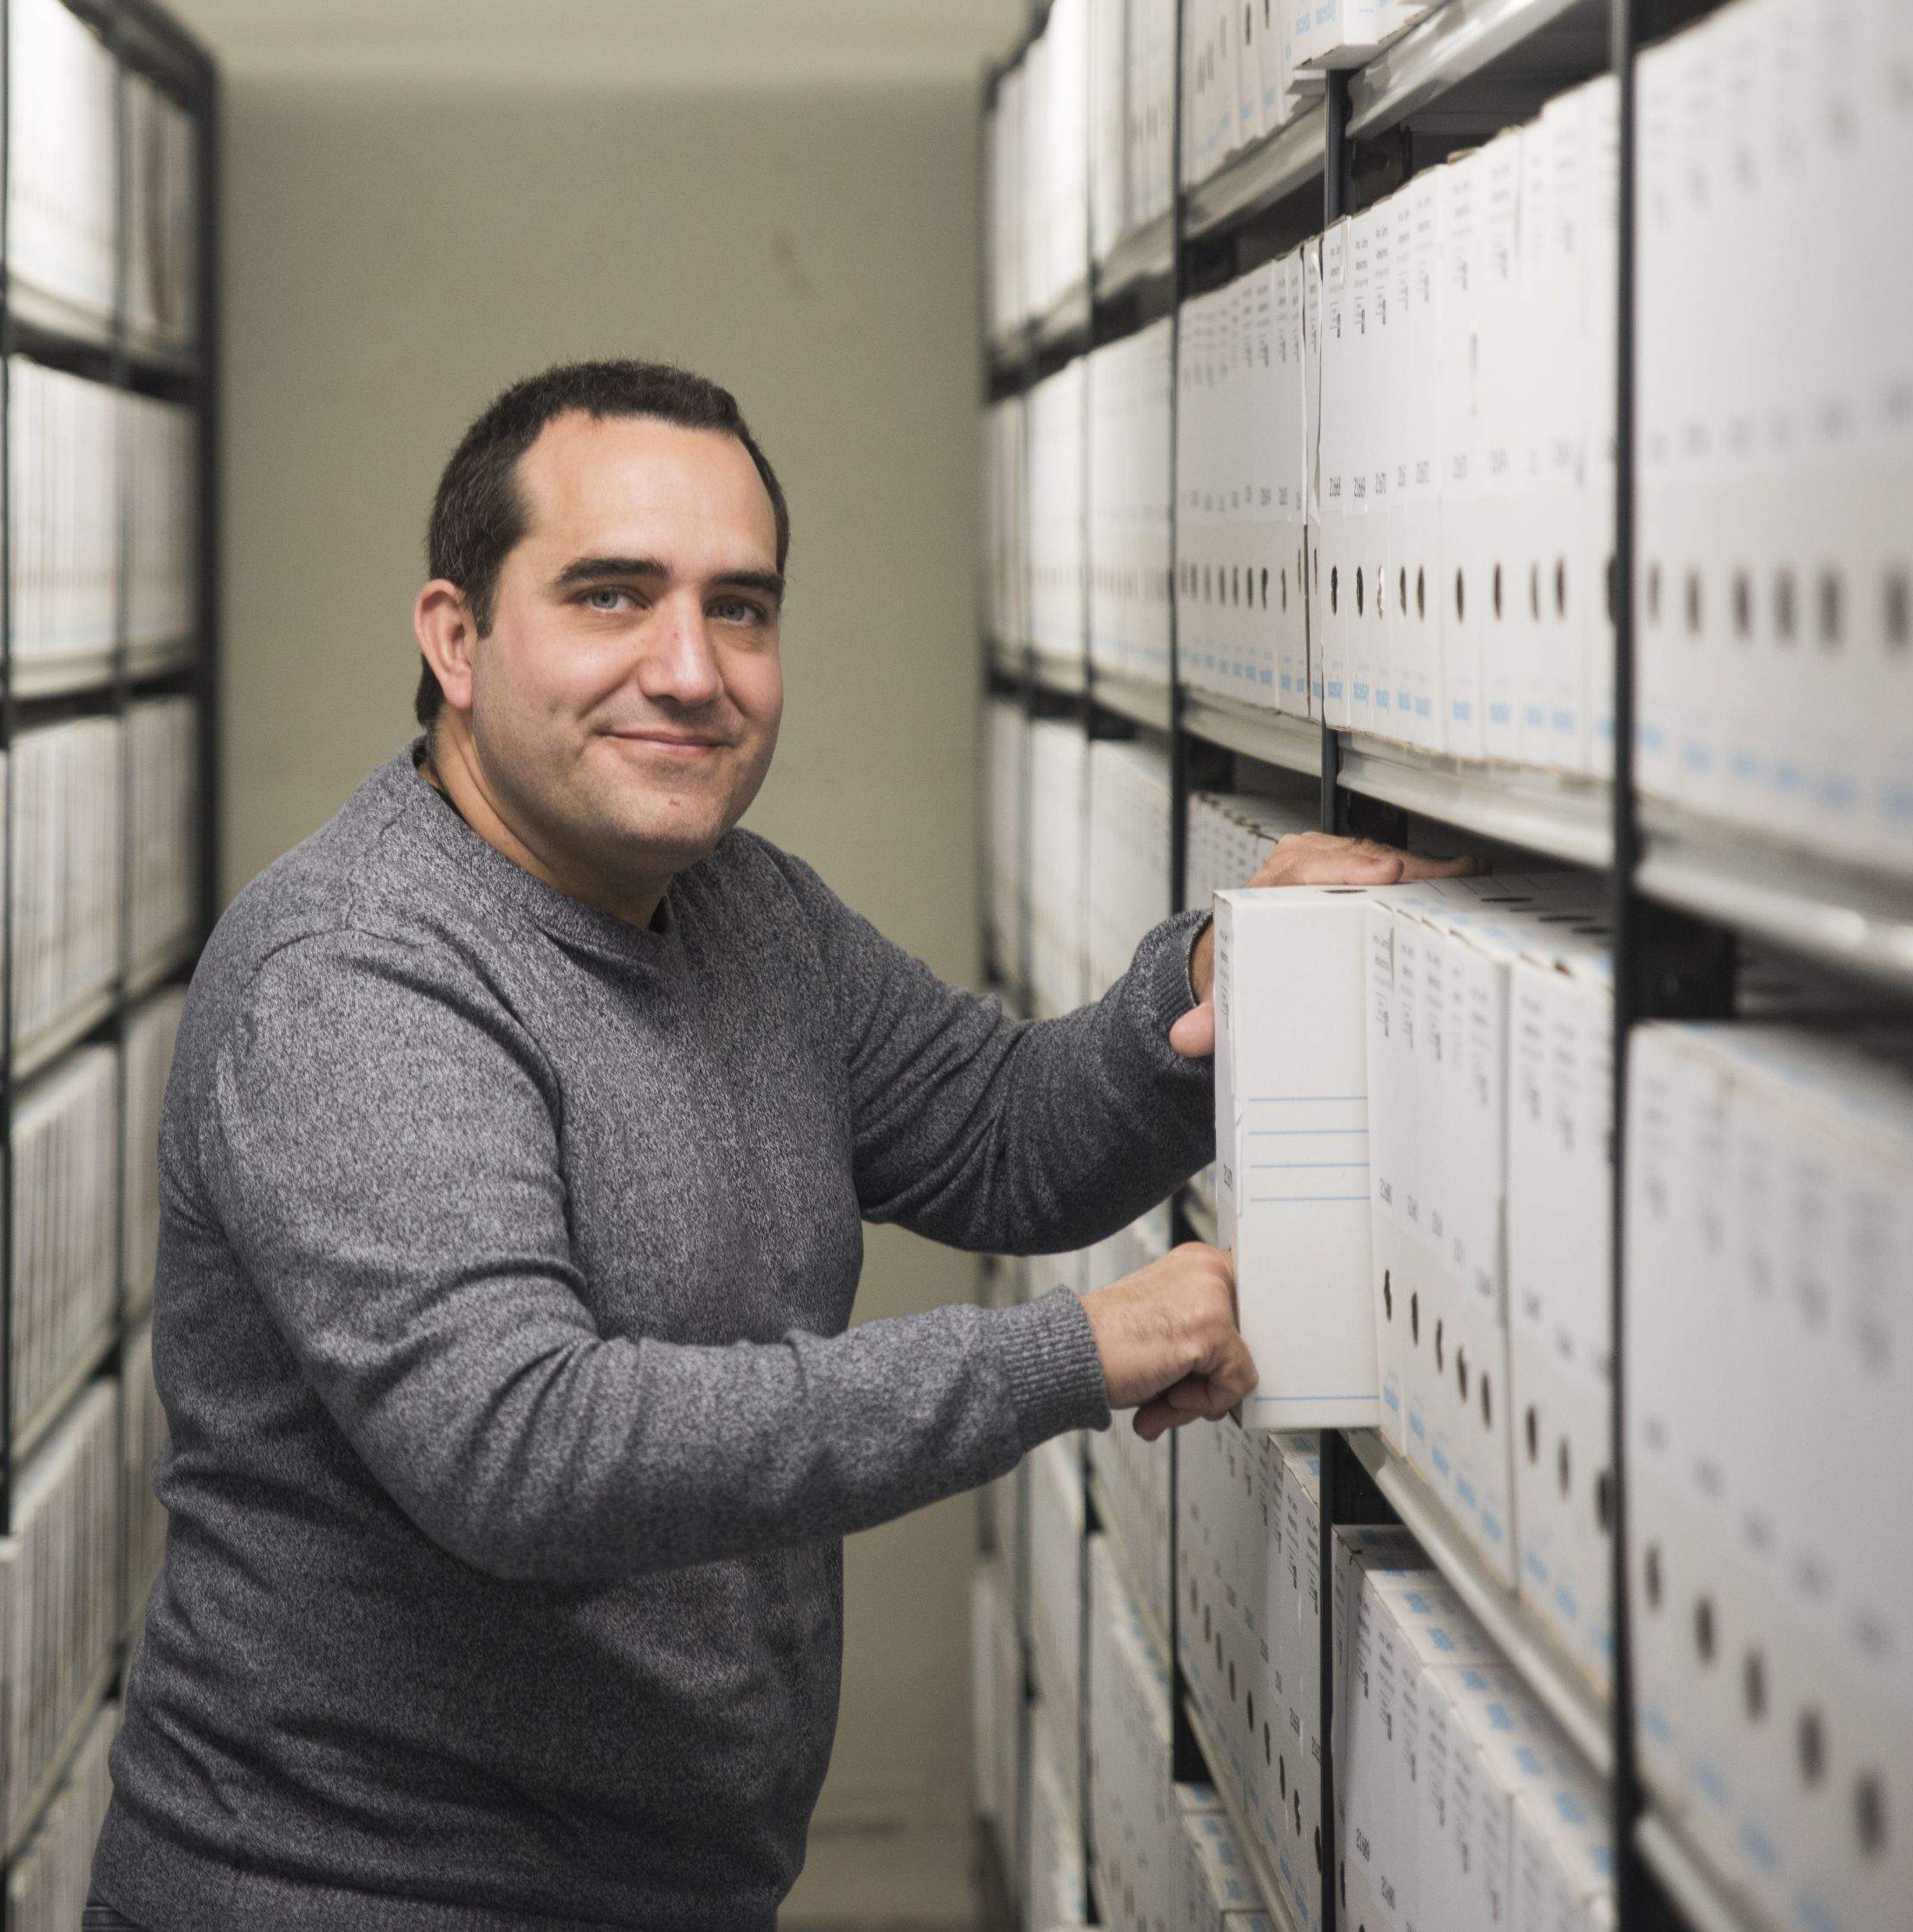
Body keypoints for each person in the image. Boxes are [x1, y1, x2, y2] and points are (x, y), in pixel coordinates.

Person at [85, 360, 1465, 1931]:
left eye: (740, 608)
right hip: (351, 1891)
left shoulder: (750, 911)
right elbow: (527, 1448)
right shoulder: (354, 974)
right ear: (455, 638)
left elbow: (1004, 1135)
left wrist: (1214, 980)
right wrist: (1073, 1352)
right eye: (613, 596)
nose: (691, 668)